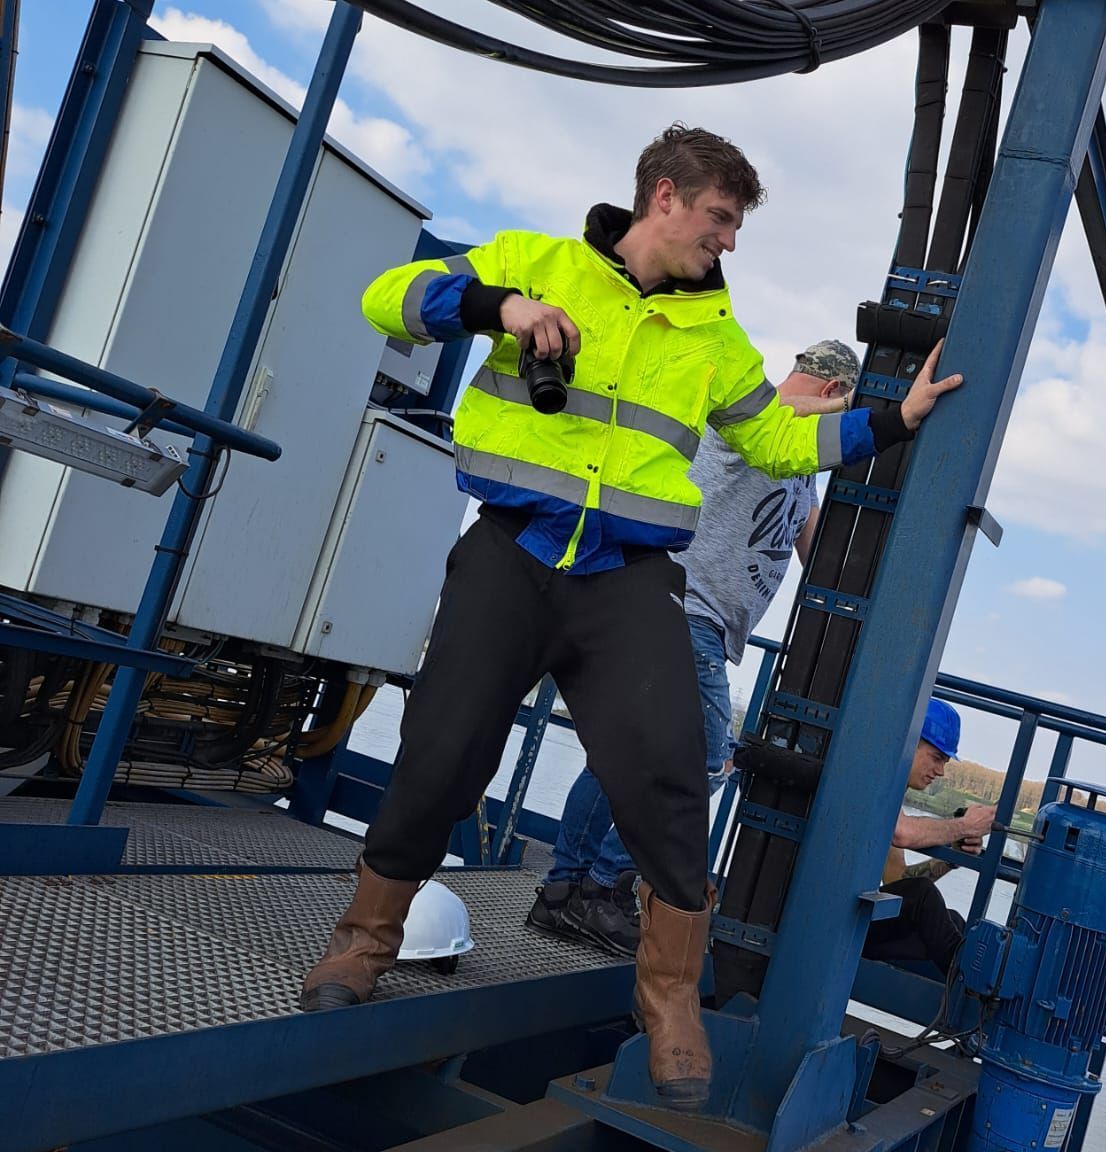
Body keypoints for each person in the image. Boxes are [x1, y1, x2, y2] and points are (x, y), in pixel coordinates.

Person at [297, 123, 962, 1110]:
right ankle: (361, 944)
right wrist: (503, 305)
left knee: (669, 773)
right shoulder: (540, 261)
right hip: (512, 552)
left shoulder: (715, 340)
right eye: (719, 219)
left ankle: (668, 1000)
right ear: (663, 197)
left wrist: (890, 422)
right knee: (441, 752)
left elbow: (779, 443)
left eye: (735, 226)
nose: (728, 242)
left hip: (632, 577)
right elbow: (387, 297)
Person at [529, 340, 860, 958]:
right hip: (687, 609)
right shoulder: (756, 416)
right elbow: (784, 407)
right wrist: (853, 416)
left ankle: (560, 895)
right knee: (703, 760)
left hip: (702, 621)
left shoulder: (800, 464)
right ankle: (606, 887)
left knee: (615, 756)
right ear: (830, 392)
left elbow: (814, 551)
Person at [863, 699, 996, 978]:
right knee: (923, 895)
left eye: (945, 762)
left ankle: (979, 976)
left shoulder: (891, 794)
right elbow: (902, 832)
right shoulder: (872, 777)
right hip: (826, 915)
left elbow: (897, 881)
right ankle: (968, 980)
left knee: (954, 921)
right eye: (936, 757)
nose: (941, 772)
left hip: (854, 916)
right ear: (909, 741)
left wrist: (948, 860)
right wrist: (965, 826)